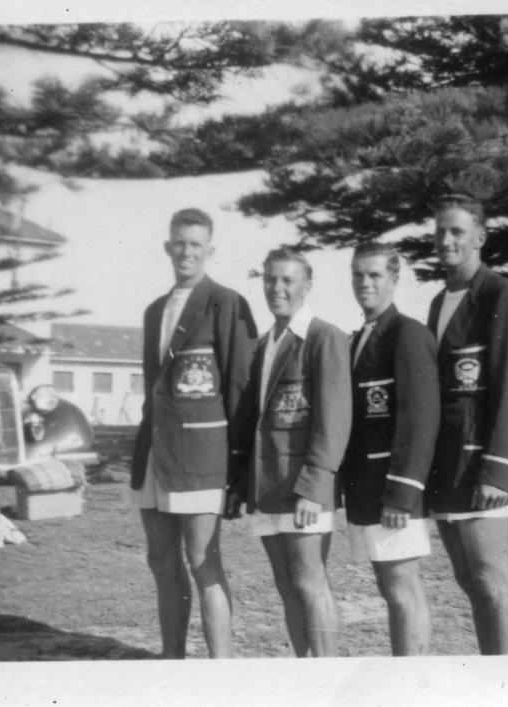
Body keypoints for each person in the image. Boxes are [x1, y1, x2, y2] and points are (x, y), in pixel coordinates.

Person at [130, 207, 258, 659]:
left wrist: (238, 468)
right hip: (157, 454)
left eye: (196, 245)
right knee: (161, 561)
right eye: (179, 243)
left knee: (203, 561)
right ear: (168, 246)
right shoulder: (154, 311)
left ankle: (220, 670)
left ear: (210, 250)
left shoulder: (226, 302)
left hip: (203, 457)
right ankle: (173, 661)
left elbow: (241, 389)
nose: (187, 252)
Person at [426, 192, 508, 655]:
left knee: (492, 578)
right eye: (440, 231)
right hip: (447, 466)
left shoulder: (503, 295)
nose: (446, 240)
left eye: (457, 231)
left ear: (480, 237)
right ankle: (492, 676)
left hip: (481, 467)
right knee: (469, 580)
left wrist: (500, 469)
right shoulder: (439, 301)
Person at [226, 248, 352, 657]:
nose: (276, 288)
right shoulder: (265, 344)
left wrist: (315, 486)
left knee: (310, 581)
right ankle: (304, 673)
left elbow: (334, 420)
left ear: (306, 286)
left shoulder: (324, 337)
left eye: (287, 280)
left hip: (304, 489)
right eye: (270, 280)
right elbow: (256, 422)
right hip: (267, 487)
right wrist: (240, 483)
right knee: (285, 584)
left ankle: (327, 677)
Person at [339, 242, 440, 656]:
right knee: (389, 587)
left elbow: (420, 420)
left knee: (402, 589)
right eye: (358, 274)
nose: (364, 282)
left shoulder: (408, 334)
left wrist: (402, 493)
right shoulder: (358, 339)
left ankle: (410, 681)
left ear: (395, 280)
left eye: (375, 274)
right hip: (366, 489)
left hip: (393, 492)